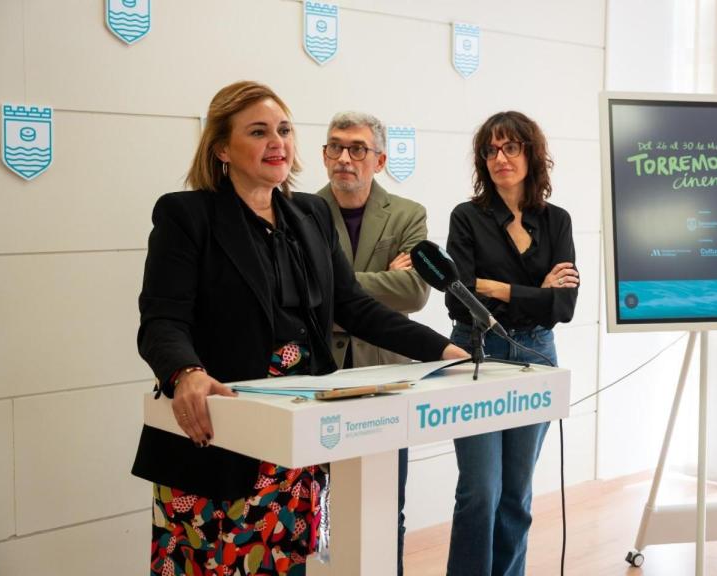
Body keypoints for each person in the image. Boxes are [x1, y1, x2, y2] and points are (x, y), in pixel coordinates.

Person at [130, 81, 467, 576]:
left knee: (285, 565)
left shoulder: (309, 214)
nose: (278, 142)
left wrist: (441, 349)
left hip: (297, 433)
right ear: (222, 147)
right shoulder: (187, 216)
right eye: (259, 131)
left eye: (284, 130)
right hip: (223, 433)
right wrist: (186, 372)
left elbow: (353, 306)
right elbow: (162, 320)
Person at [444, 111, 579, 576]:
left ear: (531, 153)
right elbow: (459, 298)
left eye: (511, 148)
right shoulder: (467, 218)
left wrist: (497, 288)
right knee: (481, 491)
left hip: (537, 355)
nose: (500, 158)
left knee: (517, 494)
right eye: (491, 150)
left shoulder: (556, 221)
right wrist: (535, 292)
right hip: (476, 352)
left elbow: (563, 308)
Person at [315, 111, 430, 576]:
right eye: (335, 147)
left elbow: (417, 293)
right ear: (323, 155)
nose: (345, 157)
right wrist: (383, 280)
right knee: (318, 508)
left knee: (386, 506)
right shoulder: (302, 210)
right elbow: (297, 292)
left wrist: (333, 284)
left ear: (379, 159)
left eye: (357, 148)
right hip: (318, 375)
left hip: (385, 375)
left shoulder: (407, 213)